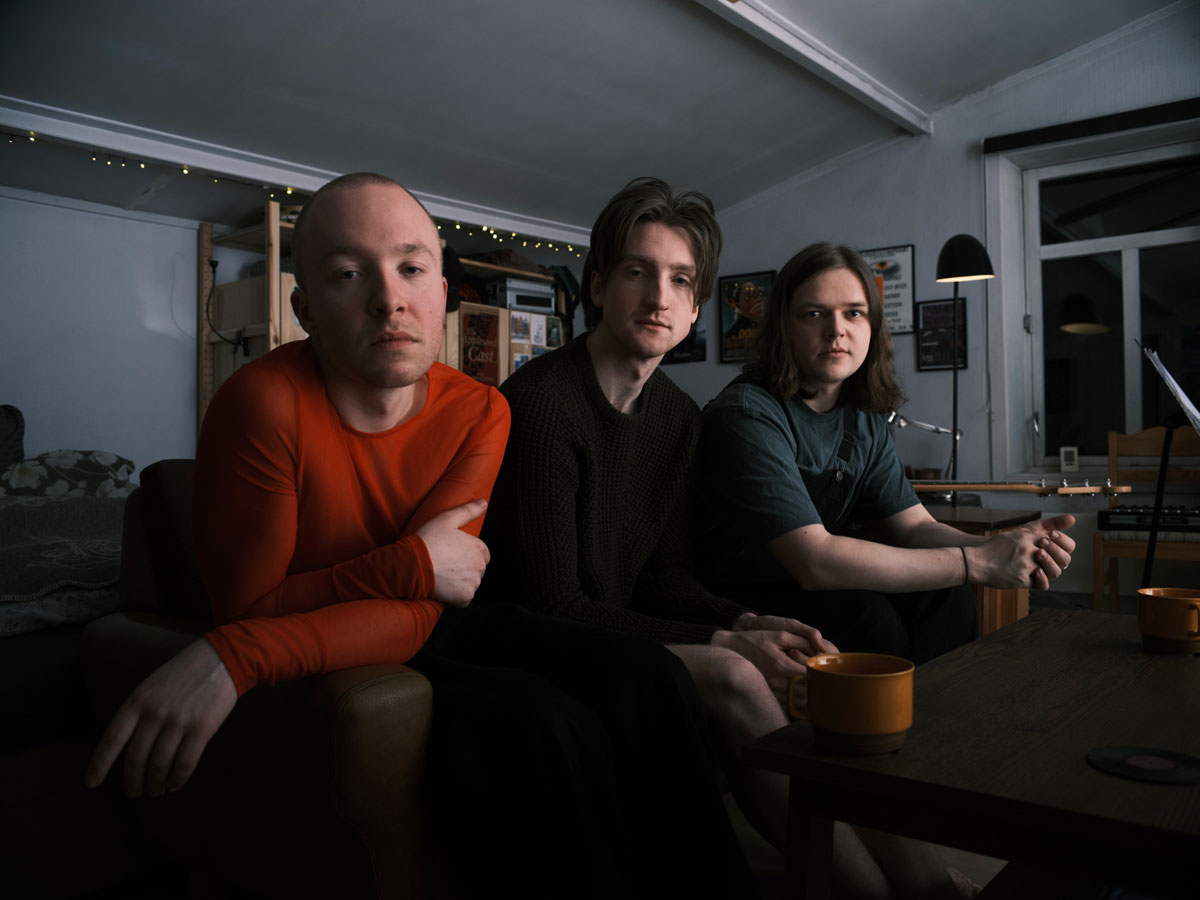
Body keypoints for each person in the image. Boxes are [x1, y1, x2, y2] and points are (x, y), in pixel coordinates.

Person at [86, 172, 750, 899]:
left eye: (411, 269)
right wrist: (406, 569)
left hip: (446, 624)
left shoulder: (481, 411)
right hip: (390, 644)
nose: (389, 299)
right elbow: (254, 614)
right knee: (544, 723)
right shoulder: (261, 404)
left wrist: (414, 576)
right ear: (305, 309)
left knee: (651, 674)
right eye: (348, 274)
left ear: (444, 292)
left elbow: (437, 598)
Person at [480, 179, 980, 899]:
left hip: (616, 624)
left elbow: (664, 576)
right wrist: (724, 642)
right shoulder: (541, 404)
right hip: (536, 636)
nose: (659, 296)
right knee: (739, 673)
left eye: (681, 279)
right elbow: (554, 604)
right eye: (637, 271)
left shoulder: (676, 416)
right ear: (597, 286)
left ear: (696, 306)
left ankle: (921, 881)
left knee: (802, 660)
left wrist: (749, 623)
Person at [695, 242, 1077, 664]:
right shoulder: (747, 415)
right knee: (867, 616)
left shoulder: (862, 414)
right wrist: (978, 562)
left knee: (948, 593)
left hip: (811, 579)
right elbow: (814, 561)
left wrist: (1001, 547)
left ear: (873, 326)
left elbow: (913, 527)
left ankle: (946, 706)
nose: (836, 330)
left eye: (853, 313)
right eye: (814, 314)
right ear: (784, 326)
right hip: (742, 593)